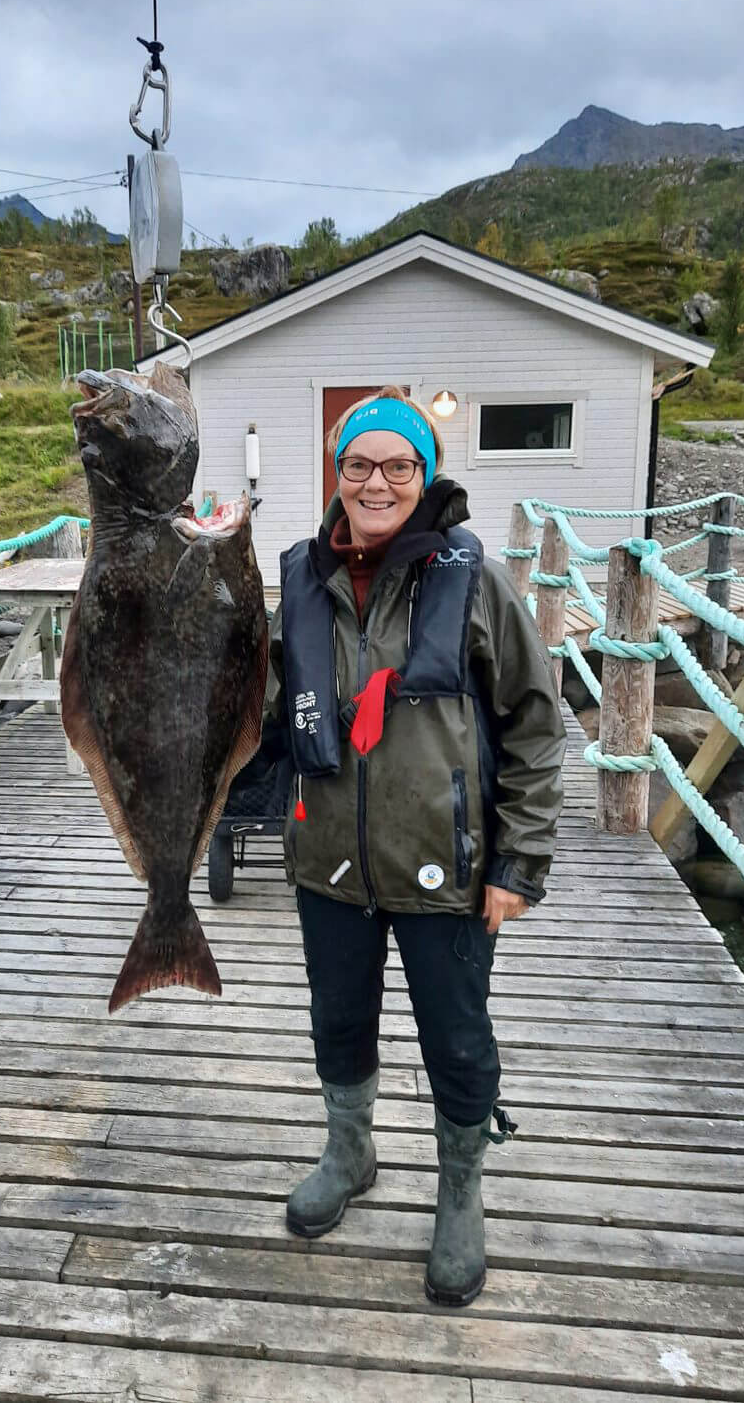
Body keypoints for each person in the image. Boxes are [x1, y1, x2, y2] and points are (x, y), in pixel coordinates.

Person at [262, 386, 566, 1306]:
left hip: (450, 870)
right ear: (337, 474)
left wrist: (518, 864)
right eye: (359, 464)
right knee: (338, 1023)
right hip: (330, 865)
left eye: (399, 466)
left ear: (425, 477)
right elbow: (267, 716)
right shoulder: (300, 578)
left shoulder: (474, 579)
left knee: (458, 1041)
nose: (378, 482)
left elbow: (536, 722)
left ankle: (461, 1191)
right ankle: (350, 1150)